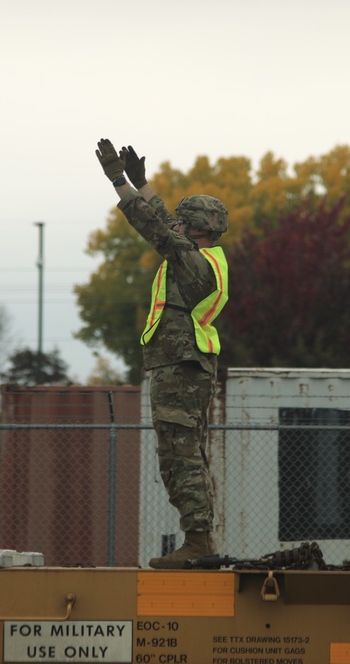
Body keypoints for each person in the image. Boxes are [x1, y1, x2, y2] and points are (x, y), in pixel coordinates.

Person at [94, 138, 229, 569]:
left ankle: (198, 542)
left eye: (186, 224)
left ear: (198, 229)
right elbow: (169, 224)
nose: (179, 228)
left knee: (180, 455)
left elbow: (155, 227)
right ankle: (200, 539)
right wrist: (144, 184)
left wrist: (118, 183)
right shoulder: (203, 254)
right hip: (188, 364)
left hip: (181, 366)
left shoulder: (192, 261)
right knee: (187, 452)